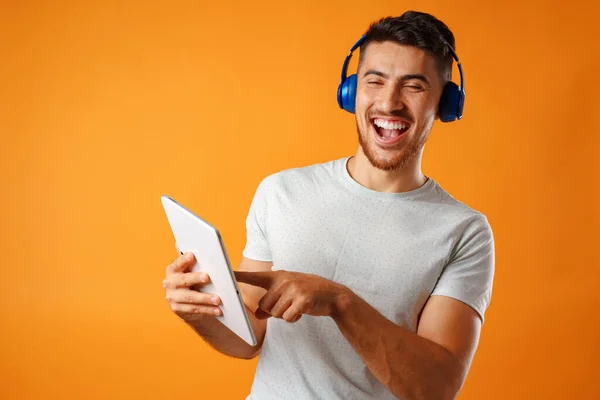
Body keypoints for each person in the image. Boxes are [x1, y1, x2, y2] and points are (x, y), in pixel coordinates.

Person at [162, 10, 495, 400]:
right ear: (351, 91)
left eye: (414, 86)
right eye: (375, 80)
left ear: (445, 103)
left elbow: (434, 390)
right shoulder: (281, 191)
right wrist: (199, 313)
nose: (389, 102)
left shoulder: (464, 232)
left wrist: (341, 302)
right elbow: (250, 338)